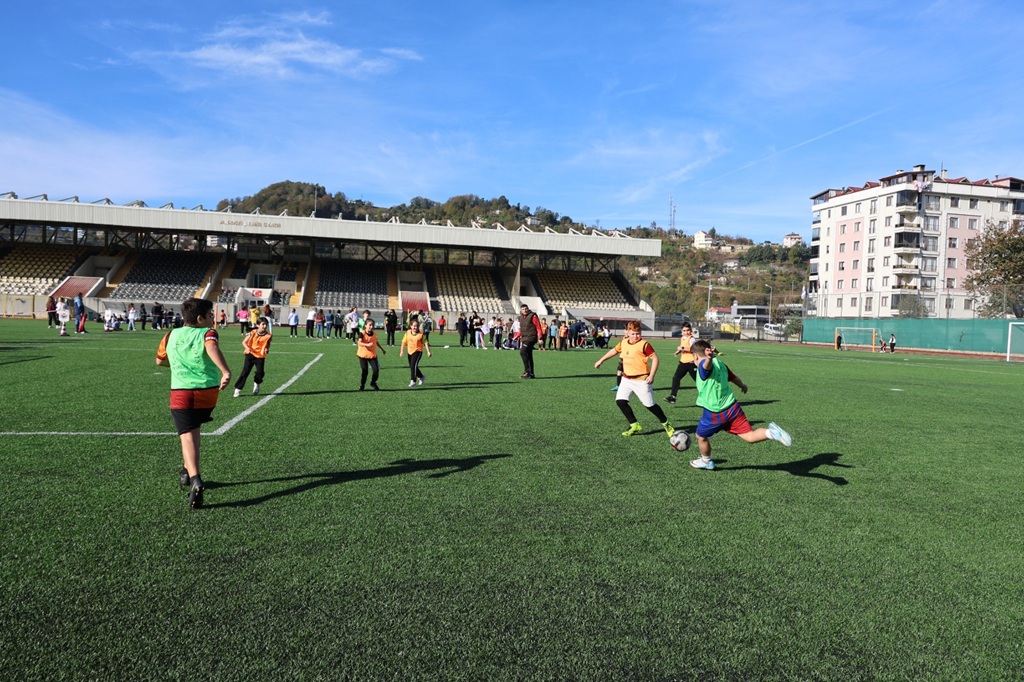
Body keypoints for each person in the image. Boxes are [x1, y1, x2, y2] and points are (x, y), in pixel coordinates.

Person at [155, 297, 232, 510]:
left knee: (187, 436)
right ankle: (186, 470)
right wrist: (224, 371)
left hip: (182, 392)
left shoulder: (171, 334)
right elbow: (210, 347)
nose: (213, 319)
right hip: (208, 393)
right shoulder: (208, 333)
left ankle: (196, 478)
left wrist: (180, 363)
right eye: (210, 315)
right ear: (200, 319)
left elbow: (160, 361)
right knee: (193, 432)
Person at [687, 338, 792, 471]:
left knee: (701, 436)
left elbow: (704, 369)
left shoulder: (704, 363)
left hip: (715, 412)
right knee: (750, 436)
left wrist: (707, 359)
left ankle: (706, 461)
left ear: (695, 355)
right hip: (732, 407)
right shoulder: (721, 364)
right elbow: (733, 378)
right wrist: (742, 385)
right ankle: (771, 433)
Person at [594, 320, 673, 438]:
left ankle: (666, 423)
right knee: (620, 401)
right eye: (633, 333)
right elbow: (614, 351)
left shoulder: (644, 344)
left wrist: (651, 375)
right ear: (627, 332)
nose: (636, 336)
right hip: (626, 379)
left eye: (638, 333)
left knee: (650, 406)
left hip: (642, 380)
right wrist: (601, 360)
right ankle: (634, 425)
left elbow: (655, 359)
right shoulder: (624, 342)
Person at [233, 316, 272, 397]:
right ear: (258, 325)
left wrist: (267, 349)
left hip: (260, 356)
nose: (265, 326)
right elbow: (244, 342)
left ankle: (257, 383)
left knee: (260, 373)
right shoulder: (252, 332)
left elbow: (268, 344)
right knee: (245, 372)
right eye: (263, 324)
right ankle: (238, 389)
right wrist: (247, 348)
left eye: (266, 324)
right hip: (250, 354)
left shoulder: (268, 335)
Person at [665, 323, 697, 404]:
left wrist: (682, 348)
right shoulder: (682, 338)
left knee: (698, 381)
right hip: (683, 362)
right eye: (684, 330)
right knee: (676, 378)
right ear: (681, 331)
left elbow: (693, 348)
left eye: (688, 330)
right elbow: (683, 347)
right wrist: (678, 351)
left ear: (691, 331)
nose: (686, 332)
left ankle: (707, 396)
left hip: (691, 363)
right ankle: (673, 397)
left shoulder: (691, 339)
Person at [400, 318, 432, 387]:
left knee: (413, 365)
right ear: (411, 326)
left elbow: (426, 342)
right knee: (413, 366)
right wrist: (402, 351)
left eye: (417, 326)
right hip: (410, 351)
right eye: (414, 326)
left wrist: (428, 352)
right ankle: (421, 377)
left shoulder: (421, 334)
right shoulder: (408, 332)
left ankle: (413, 381)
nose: (415, 327)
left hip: (418, 351)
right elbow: (403, 342)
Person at [356, 317, 385, 391]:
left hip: (372, 355)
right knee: (365, 371)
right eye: (370, 325)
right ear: (365, 325)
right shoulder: (362, 333)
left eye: (372, 325)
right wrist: (367, 345)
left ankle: (373, 383)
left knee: (376, 370)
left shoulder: (374, 334)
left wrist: (381, 349)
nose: (371, 327)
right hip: (363, 355)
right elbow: (359, 342)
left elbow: (376, 342)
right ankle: (362, 385)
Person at [518, 304, 543, 378]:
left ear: (528, 309)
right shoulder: (521, 317)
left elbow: (538, 327)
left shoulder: (533, 316)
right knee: (529, 355)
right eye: (523, 309)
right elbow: (522, 329)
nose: (524, 310)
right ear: (521, 310)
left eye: (526, 309)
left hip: (531, 337)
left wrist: (540, 338)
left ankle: (527, 371)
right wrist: (516, 336)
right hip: (525, 338)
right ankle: (531, 373)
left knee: (522, 352)